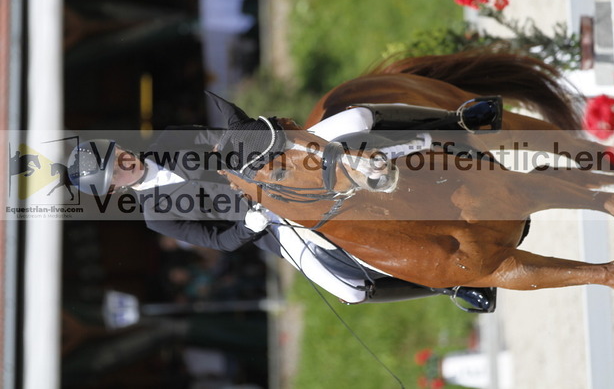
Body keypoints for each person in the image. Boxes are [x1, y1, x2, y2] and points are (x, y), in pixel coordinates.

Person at [68, 92, 498, 310]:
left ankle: (459, 119)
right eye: (116, 169)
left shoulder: (168, 139)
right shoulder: (156, 218)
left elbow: (227, 137)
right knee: (350, 291)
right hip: (273, 222)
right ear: (113, 189)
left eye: (118, 153)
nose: (126, 160)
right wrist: (248, 226)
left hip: (277, 167)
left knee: (357, 118)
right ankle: (452, 285)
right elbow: (217, 242)